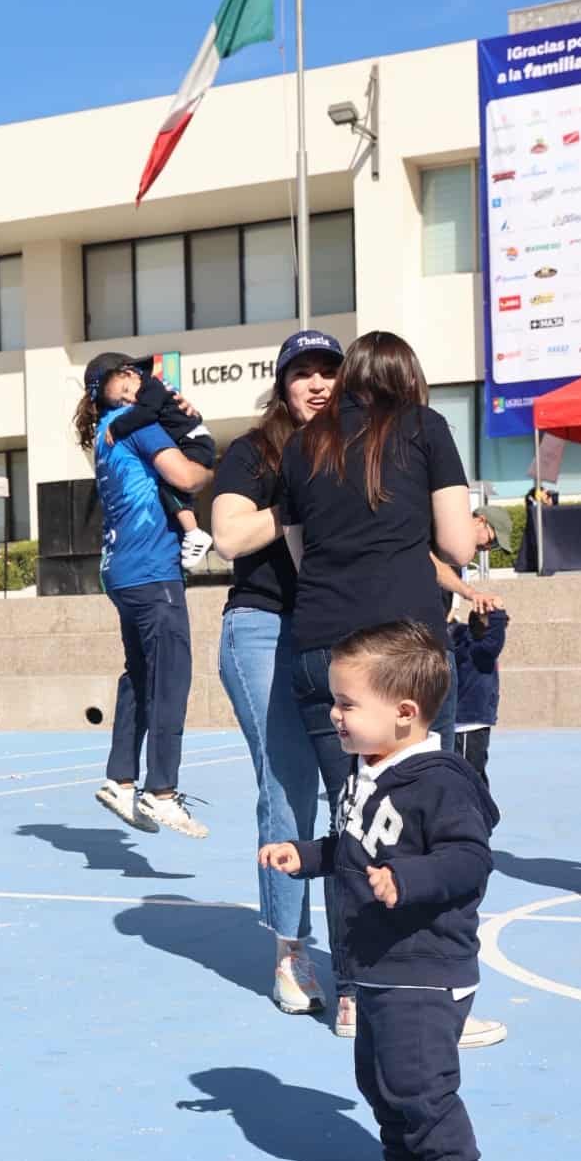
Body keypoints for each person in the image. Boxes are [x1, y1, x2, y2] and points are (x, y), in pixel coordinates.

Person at [276, 331, 505, 1049]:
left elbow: (297, 548)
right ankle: (422, 997)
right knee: (420, 823)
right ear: (410, 378)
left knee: (350, 825)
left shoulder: (303, 444)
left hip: (320, 644)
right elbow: (458, 545)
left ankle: (351, 996)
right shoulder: (422, 428)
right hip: (402, 650)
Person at [259, 620, 504, 1161]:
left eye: (345, 704)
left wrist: (410, 878)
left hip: (426, 963)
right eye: (333, 701)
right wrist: (307, 856)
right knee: (377, 1078)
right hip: (375, 962)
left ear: (402, 713)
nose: (333, 714)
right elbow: (353, 849)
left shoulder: (439, 781)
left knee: (418, 1083)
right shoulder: (363, 772)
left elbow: (468, 859)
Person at [211, 330, 343, 1015]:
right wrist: (295, 501)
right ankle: (292, 953)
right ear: (282, 385)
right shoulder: (255, 451)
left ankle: (358, 952)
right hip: (263, 627)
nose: (317, 384)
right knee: (287, 785)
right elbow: (228, 536)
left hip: (343, 629)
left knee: (357, 790)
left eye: (328, 372)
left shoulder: (359, 449)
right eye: (303, 374)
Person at [73, 352, 214, 838]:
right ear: (100, 394)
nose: (132, 384)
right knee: (171, 677)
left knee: (140, 675)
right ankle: (162, 792)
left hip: (121, 570)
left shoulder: (111, 433)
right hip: (152, 571)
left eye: (134, 376)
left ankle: (120, 779)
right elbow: (187, 477)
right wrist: (200, 440)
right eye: (119, 380)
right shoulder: (134, 425)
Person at [100, 356, 216, 569]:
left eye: (127, 390)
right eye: (121, 402)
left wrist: (117, 427)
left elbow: (146, 413)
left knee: (170, 483)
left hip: (193, 440)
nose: (130, 400)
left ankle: (194, 533)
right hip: (192, 439)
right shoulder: (151, 389)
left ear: (131, 374)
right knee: (172, 485)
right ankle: (192, 532)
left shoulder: (151, 387)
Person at [449, 601, 508, 787]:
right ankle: (474, 811)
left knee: (475, 770)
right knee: (469, 772)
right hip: (469, 723)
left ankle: (483, 809)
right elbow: (495, 640)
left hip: (472, 721)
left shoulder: (466, 645)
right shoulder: (478, 651)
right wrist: (496, 611)